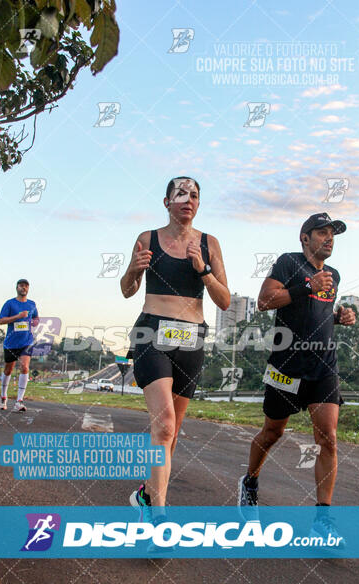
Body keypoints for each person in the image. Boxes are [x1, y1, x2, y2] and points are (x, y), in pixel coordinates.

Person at [121, 176, 230, 531]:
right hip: (152, 332)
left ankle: (147, 495)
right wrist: (134, 270)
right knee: (164, 425)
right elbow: (127, 290)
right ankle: (159, 520)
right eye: (181, 193)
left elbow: (225, 300)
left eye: (194, 194)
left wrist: (204, 270)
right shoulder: (146, 239)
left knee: (171, 432)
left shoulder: (209, 243)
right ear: (166, 201)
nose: (188, 199)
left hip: (192, 341)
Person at [238, 213, 355, 540]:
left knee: (328, 437)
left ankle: (322, 519)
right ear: (305, 238)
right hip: (287, 366)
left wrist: (339, 317)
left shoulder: (334, 275)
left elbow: (317, 314)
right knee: (272, 433)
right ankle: (250, 481)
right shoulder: (288, 263)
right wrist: (307, 286)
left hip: (323, 366)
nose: (329, 239)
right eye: (322, 233)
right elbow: (265, 301)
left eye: (332, 234)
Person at [0, 279, 39, 411]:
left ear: (28, 289)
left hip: (26, 342)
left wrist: (34, 323)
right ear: (17, 288)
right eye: (21, 286)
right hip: (11, 343)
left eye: (26, 286)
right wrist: (18, 316)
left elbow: (36, 318)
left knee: (25, 367)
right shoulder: (9, 303)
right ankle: (3, 397)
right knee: (8, 370)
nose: (24, 288)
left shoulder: (32, 304)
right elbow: (1, 321)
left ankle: (19, 401)